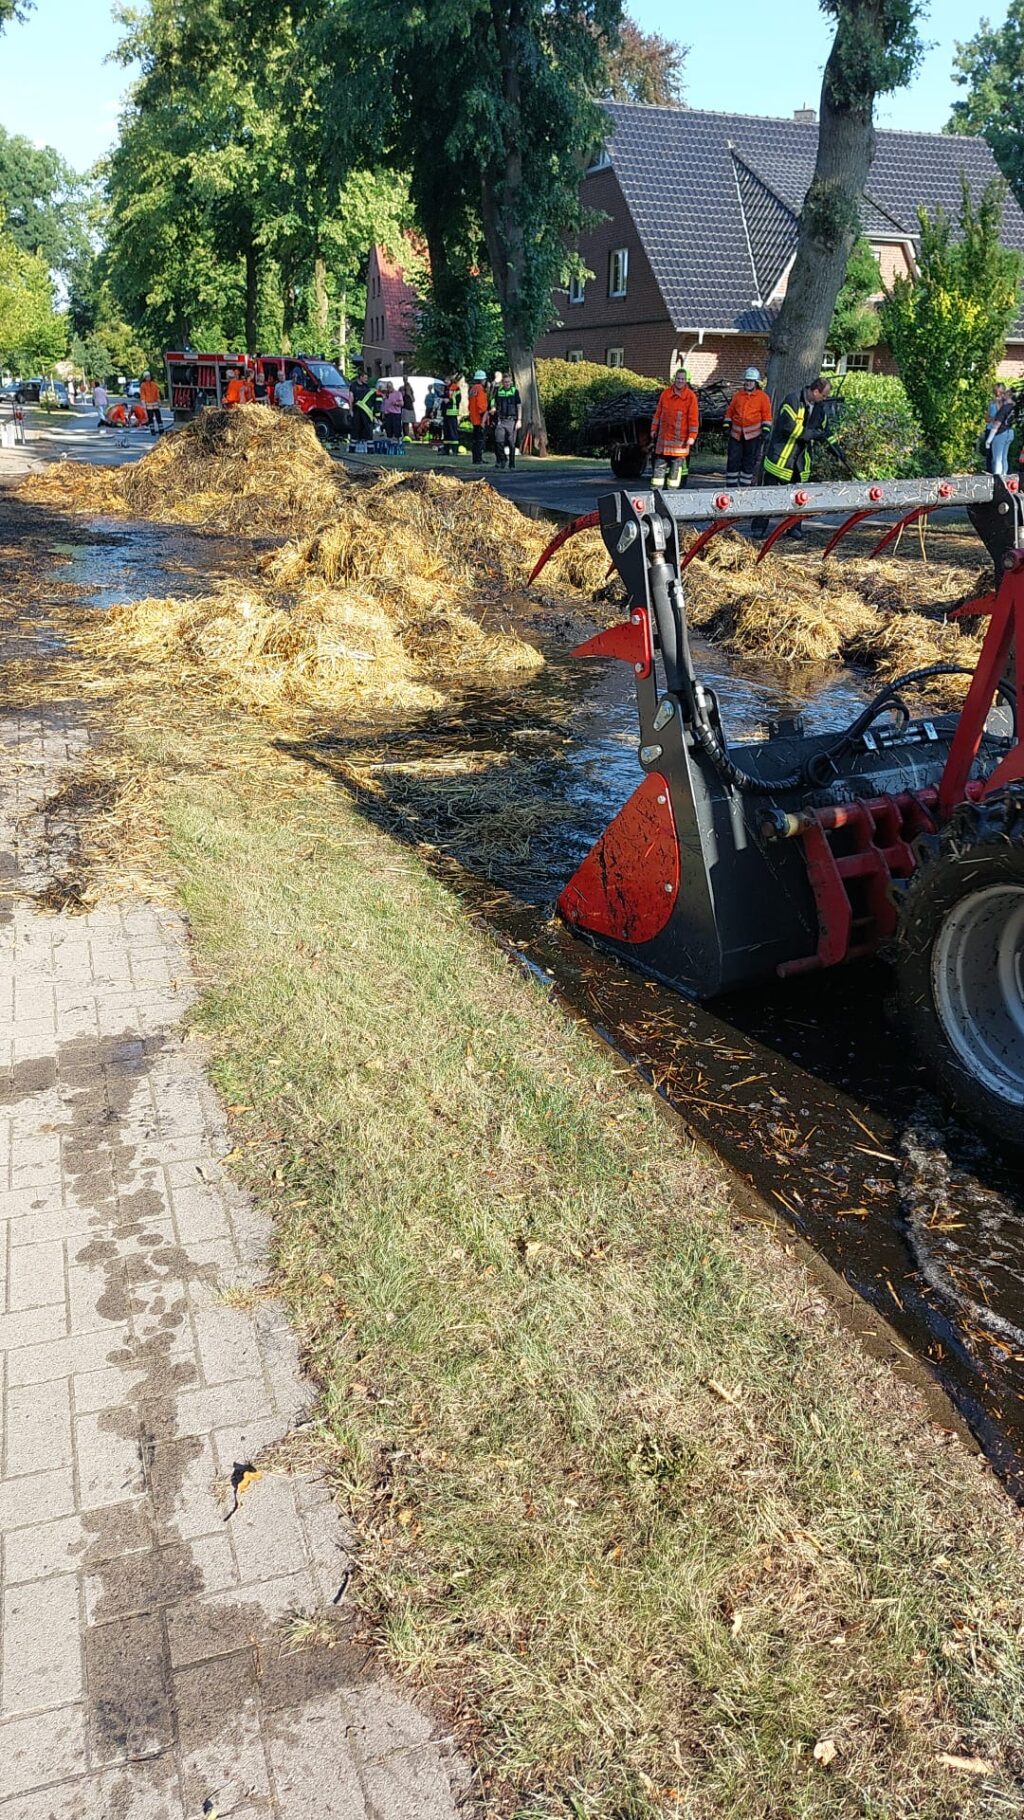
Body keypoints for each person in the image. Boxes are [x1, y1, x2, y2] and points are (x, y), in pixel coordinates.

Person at [752, 376, 834, 538]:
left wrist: (834, 447)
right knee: (769, 495)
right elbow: (788, 427)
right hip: (780, 459)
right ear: (815, 391)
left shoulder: (819, 408)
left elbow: (825, 430)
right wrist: (811, 435)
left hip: (800, 462)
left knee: (799, 498)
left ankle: (794, 527)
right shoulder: (793, 400)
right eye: (823, 395)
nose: (824, 399)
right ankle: (759, 527)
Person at [649, 366, 699, 489]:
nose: (680, 381)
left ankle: (672, 494)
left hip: (679, 444)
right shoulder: (665, 394)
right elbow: (658, 414)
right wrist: (653, 429)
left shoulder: (690, 397)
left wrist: (692, 437)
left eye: (682, 379)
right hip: (663, 442)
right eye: (678, 378)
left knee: (675, 474)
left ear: (686, 380)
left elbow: (693, 419)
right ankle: (656, 493)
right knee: (658, 471)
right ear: (674, 379)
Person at [724, 367, 772, 487]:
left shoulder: (763, 397)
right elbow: (730, 412)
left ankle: (744, 488)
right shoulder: (738, 396)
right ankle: (731, 487)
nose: (748, 383)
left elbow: (767, 416)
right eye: (747, 380)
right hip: (736, 435)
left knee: (748, 462)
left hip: (753, 436)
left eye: (751, 381)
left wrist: (765, 430)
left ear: (756, 382)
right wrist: (726, 425)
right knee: (733, 461)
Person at [491, 370, 521, 470]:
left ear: (511, 382)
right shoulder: (499, 391)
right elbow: (494, 403)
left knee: (512, 443)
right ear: (502, 383)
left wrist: (519, 420)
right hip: (501, 420)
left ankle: (512, 464)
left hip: (512, 420)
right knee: (498, 441)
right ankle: (503, 459)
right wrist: (493, 408)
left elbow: (519, 406)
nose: (507, 384)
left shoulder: (515, 391)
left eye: (508, 382)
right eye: (505, 382)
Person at [985, 382, 1015, 476]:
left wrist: (999, 404)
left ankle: (999, 476)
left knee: (1000, 457)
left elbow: (1001, 416)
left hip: (999, 430)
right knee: (991, 455)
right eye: (996, 392)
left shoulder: (1005, 404)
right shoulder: (991, 402)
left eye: (1000, 393)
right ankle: (992, 472)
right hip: (991, 428)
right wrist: (992, 418)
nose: (998, 395)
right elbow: (987, 418)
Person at [467, 369, 489, 465]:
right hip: (480, 418)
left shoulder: (472, 389)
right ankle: (478, 459)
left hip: (473, 417)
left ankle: (475, 459)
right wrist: (484, 418)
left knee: (475, 440)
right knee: (480, 440)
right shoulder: (480, 389)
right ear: (482, 380)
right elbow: (481, 406)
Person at [138, 370, 163, 437]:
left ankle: (161, 430)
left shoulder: (154, 384)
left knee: (158, 418)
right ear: (144, 378)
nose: (148, 378)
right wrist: (143, 403)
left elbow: (157, 393)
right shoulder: (143, 385)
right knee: (150, 418)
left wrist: (159, 401)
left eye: (149, 376)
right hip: (148, 405)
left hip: (155, 404)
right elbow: (142, 395)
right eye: (146, 377)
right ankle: (153, 431)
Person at [442, 376, 462, 456]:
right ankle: (446, 450)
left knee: (453, 432)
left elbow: (457, 399)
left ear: (450, 380)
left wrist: (449, 400)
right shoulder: (446, 388)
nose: (445, 381)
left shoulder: (455, 388)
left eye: (447, 379)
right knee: (446, 432)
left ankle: (454, 450)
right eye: (445, 380)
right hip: (446, 413)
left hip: (452, 413)